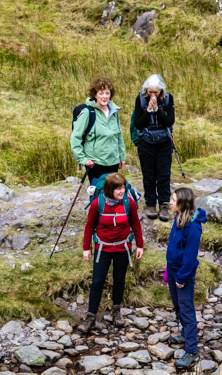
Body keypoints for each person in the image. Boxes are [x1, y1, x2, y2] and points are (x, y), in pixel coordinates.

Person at [79, 173, 144, 333]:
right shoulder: (97, 204)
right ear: (109, 189)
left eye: (123, 187)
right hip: (103, 249)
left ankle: (116, 311)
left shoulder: (129, 203)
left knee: (119, 280)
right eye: (118, 189)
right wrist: (86, 248)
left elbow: (135, 224)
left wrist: (139, 245)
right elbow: (89, 226)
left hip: (123, 248)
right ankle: (91, 317)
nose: (122, 191)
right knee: (97, 282)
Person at [165, 187, 206, 370]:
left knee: (187, 309)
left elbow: (190, 257)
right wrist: (168, 269)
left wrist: (181, 276)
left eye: (173, 200)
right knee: (177, 304)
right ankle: (185, 334)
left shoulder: (194, 227)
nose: (171, 202)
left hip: (184, 274)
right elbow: (174, 246)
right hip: (173, 270)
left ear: (182, 203)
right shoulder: (178, 218)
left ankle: (192, 351)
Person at [132, 74, 175, 222]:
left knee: (163, 174)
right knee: (148, 174)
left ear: (161, 91)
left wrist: (157, 110)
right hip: (146, 141)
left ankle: (164, 205)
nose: (152, 95)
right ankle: (150, 204)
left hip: (164, 142)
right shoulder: (141, 99)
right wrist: (148, 110)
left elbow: (169, 121)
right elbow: (138, 123)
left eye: (155, 92)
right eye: (150, 92)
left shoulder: (168, 98)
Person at [70, 77, 126, 185]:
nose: (104, 96)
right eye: (101, 93)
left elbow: (119, 136)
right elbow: (75, 138)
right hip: (95, 163)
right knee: (98, 194)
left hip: (113, 161)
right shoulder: (87, 113)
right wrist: (83, 159)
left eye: (107, 93)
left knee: (112, 194)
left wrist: (121, 156)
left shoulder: (114, 112)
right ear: (95, 95)